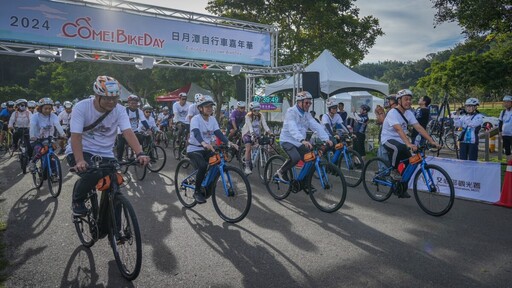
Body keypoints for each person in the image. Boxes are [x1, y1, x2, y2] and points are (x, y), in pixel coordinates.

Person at [66, 76, 149, 215]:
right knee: (94, 174)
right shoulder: (81, 107)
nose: (111, 102)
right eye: (106, 98)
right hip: (82, 150)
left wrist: (140, 153)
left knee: (115, 183)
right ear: (97, 95)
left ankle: (116, 232)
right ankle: (77, 200)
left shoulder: (120, 110)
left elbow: (127, 132)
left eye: (115, 98)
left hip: (106, 153)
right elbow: (76, 136)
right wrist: (80, 160)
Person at [381, 89, 439, 198]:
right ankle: (393, 170)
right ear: (399, 101)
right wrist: (409, 144)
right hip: (388, 139)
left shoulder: (408, 113)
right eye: (406, 99)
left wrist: (431, 141)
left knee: (410, 163)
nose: (408, 102)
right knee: (398, 148)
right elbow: (399, 130)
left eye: (410, 99)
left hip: (401, 141)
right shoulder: (392, 113)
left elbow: (419, 127)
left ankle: (400, 188)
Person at [187, 95, 238, 204]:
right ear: (200, 108)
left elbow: (218, 133)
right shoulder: (196, 119)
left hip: (207, 148)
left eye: (211, 106)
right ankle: (197, 191)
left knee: (217, 161)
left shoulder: (213, 119)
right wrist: (204, 143)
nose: (209, 108)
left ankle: (206, 185)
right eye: (206, 106)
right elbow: (196, 133)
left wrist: (229, 143)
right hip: (194, 148)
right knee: (203, 166)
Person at [275, 91, 333, 182]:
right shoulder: (291, 112)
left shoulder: (307, 114)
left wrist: (326, 138)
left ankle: (304, 182)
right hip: (287, 140)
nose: (308, 105)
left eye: (310, 103)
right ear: (299, 102)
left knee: (310, 159)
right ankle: (281, 171)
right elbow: (292, 127)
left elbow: (316, 126)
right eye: (306, 102)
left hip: (299, 142)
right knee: (296, 158)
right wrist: (302, 140)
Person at [27, 98, 67, 171]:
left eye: (49, 108)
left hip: (49, 138)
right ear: (40, 108)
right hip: (37, 139)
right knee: (41, 151)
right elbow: (32, 126)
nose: (48, 110)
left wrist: (63, 134)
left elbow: (57, 125)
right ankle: (33, 162)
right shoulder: (35, 116)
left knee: (52, 151)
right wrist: (32, 136)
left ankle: (54, 173)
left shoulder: (53, 116)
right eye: (46, 108)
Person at [241, 101, 273, 175]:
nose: (257, 112)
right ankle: (247, 167)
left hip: (256, 134)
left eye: (258, 110)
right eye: (255, 110)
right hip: (247, 133)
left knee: (257, 146)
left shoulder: (260, 115)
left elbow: (265, 125)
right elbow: (250, 126)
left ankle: (252, 157)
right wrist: (252, 134)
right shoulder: (247, 116)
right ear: (251, 110)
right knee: (248, 148)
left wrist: (270, 132)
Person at [116, 94, 148, 160]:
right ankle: (119, 160)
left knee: (142, 139)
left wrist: (149, 129)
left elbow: (144, 121)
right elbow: (120, 123)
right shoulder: (124, 110)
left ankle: (139, 155)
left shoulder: (139, 111)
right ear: (128, 103)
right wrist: (122, 132)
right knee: (120, 146)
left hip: (134, 130)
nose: (134, 105)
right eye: (132, 103)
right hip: (123, 131)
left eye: (135, 103)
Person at [499, 95, 512, 161]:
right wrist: (500, 132)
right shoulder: (503, 112)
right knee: (507, 150)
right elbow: (500, 122)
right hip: (505, 134)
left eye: (508, 102)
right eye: (505, 102)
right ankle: (509, 166)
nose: (506, 104)